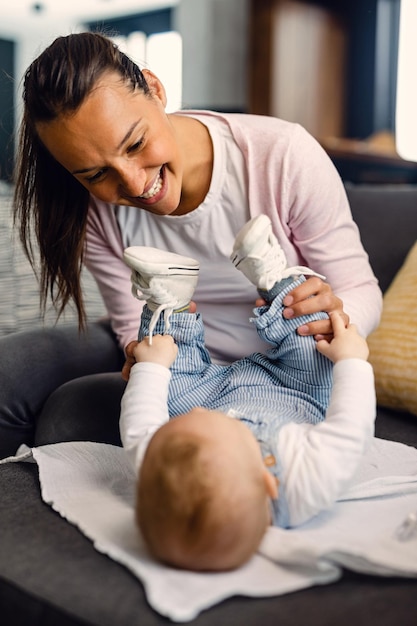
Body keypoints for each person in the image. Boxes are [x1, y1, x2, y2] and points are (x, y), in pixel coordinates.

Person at [1, 30, 381, 459]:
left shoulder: (282, 155)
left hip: (291, 366)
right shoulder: (92, 210)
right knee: (42, 394)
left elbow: (364, 291)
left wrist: (335, 312)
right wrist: (145, 354)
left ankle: (273, 282)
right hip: (188, 371)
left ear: (156, 88)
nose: (135, 183)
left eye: (136, 144)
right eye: (95, 174)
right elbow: (130, 322)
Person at [120, 215, 375, 571]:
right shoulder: (306, 483)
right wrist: (352, 360)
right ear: (268, 483)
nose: (195, 418)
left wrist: (149, 368)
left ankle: (170, 300)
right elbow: (351, 428)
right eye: (212, 426)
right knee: (315, 353)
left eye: (190, 424)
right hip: (293, 389)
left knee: (171, 393)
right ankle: (274, 280)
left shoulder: (160, 470)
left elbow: (140, 425)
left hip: (208, 391)